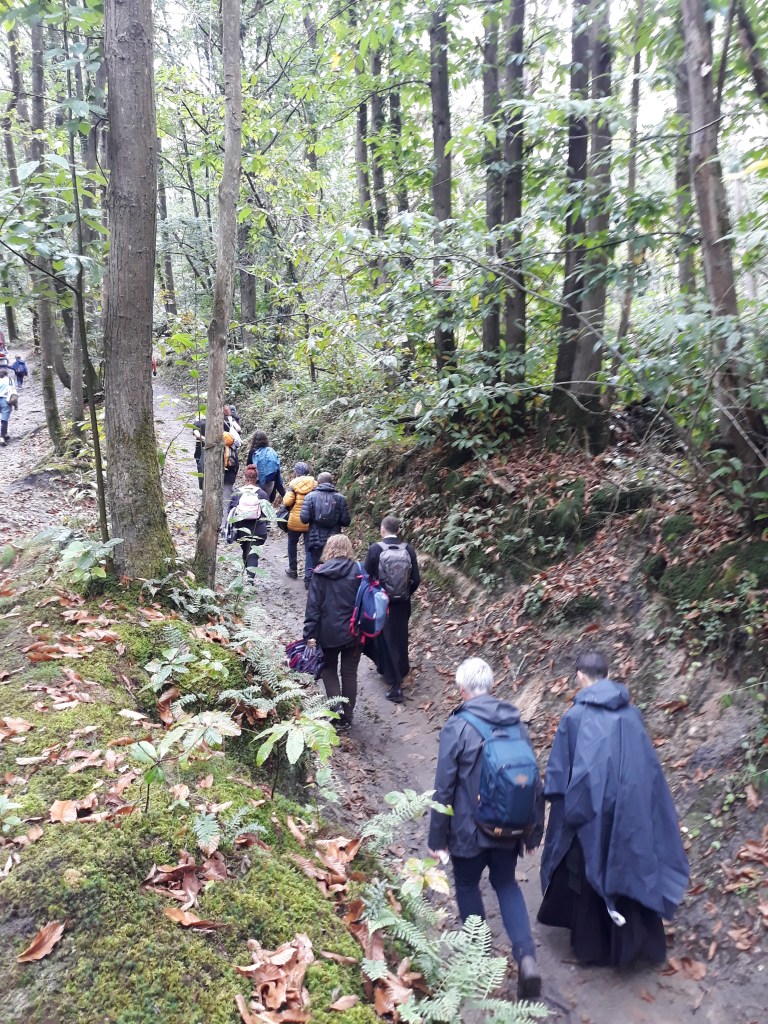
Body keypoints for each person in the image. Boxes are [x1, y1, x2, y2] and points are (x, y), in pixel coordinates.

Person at [538, 649, 689, 969]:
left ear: (580, 677)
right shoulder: (632, 714)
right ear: (607, 674)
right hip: (630, 810)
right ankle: (635, 946)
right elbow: (647, 767)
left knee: (588, 868)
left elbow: (561, 776)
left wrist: (559, 811)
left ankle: (592, 949)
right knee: (627, 864)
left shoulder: (574, 718)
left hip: (589, 811)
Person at [428, 657, 543, 1000]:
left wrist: (437, 838)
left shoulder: (457, 726)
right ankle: (527, 958)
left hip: (468, 831)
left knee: (467, 885)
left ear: (462, 689)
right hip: (508, 827)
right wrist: (532, 832)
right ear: (491, 686)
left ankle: (479, 963)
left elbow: (444, 788)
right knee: (506, 883)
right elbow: (532, 781)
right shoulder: (516, 723)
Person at [303, 534, 363, 731]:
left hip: (328, 633)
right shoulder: (358, 570)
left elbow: (313, 608)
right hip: (354, 631)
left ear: (328, 549)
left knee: (329, 670)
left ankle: (336, 711)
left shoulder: (320, 573)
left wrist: (309, 634)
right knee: (349, 673)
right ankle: (348, 716)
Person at [364, 515, 419, 703]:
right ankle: (401, 670)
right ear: (398, 530)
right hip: (403, 602)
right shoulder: (408, 549)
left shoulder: (375, 549)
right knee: (400, 636)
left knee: (384, 637)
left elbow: (367, 576)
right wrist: (405, 593)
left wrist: (376, 595)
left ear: (382, 529)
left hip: (382, 601)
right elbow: (416, 579)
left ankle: (393, 681)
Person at [300, 472, 352, 589]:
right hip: (334, 540)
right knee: (332, 564)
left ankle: (312, 585)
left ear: (318, 482)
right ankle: (329, 589)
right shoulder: (340, 498)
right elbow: (346, 521)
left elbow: (304, 519)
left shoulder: (310, 497)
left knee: (315, 562)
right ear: (332, 482)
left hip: (315, 537)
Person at [227, 465, 269, 585]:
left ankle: (247, 577)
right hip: (258, 529)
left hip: (241, 529)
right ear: (256, 479)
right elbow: (267, 513)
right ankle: (250, 581)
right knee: (253, 554)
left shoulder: (237, 493)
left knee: (246, 551)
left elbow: (231, 511)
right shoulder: (262, 494)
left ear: (244, 478)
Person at [282, 461, 317, 581]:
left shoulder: (294, 484)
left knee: (292, 543)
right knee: (309, 548)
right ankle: (308, 576)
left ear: (296, 472)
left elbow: (287, 502)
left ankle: (293, 570)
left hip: (295, 521)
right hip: (309, 521)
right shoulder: (315, 484)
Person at [247, 431, 285, 502]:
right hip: (270, 487)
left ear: (254, 440)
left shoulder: (253, 452)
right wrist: (284, 494)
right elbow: (277, 473)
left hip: (256, 486)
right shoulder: (271, 452)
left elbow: (249, 469)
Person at [0, 368, 18, 446]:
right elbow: (13, 392)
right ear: (6, 374)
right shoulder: (10, 380)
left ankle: (5, 434)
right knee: (4, 419)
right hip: (5, 401)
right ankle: (2, 437)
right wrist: (16, 405)